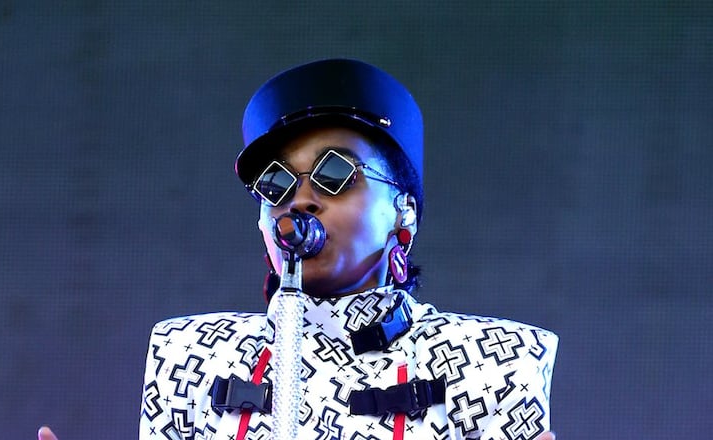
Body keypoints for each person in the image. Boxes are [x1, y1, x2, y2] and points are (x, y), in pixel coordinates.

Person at [40, 59, 558, 440]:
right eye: (276, 184)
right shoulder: (189, 355)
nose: (301, 199)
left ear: (404, 211)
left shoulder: (494, 362)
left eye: (336, 173)